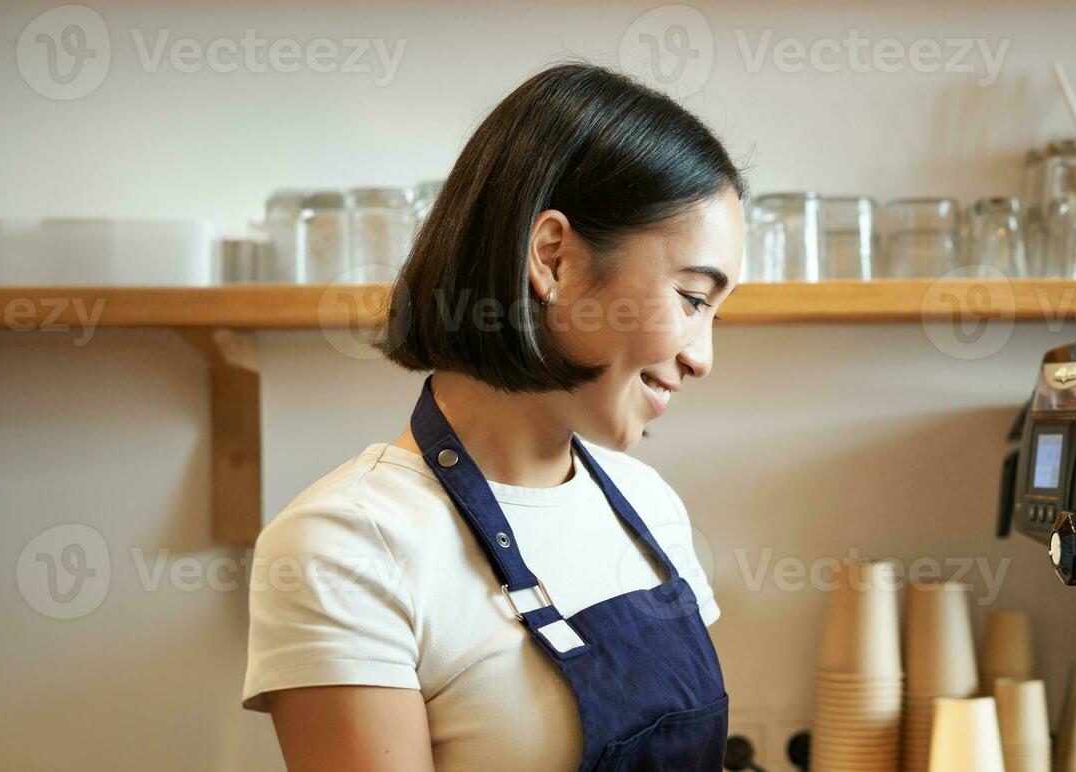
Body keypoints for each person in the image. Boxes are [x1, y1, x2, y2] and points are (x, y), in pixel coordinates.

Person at [242, 63, 745, 770]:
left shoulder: (648, 506)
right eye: (693, 298)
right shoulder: (349, 547)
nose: (703, 358)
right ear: (553, 258)